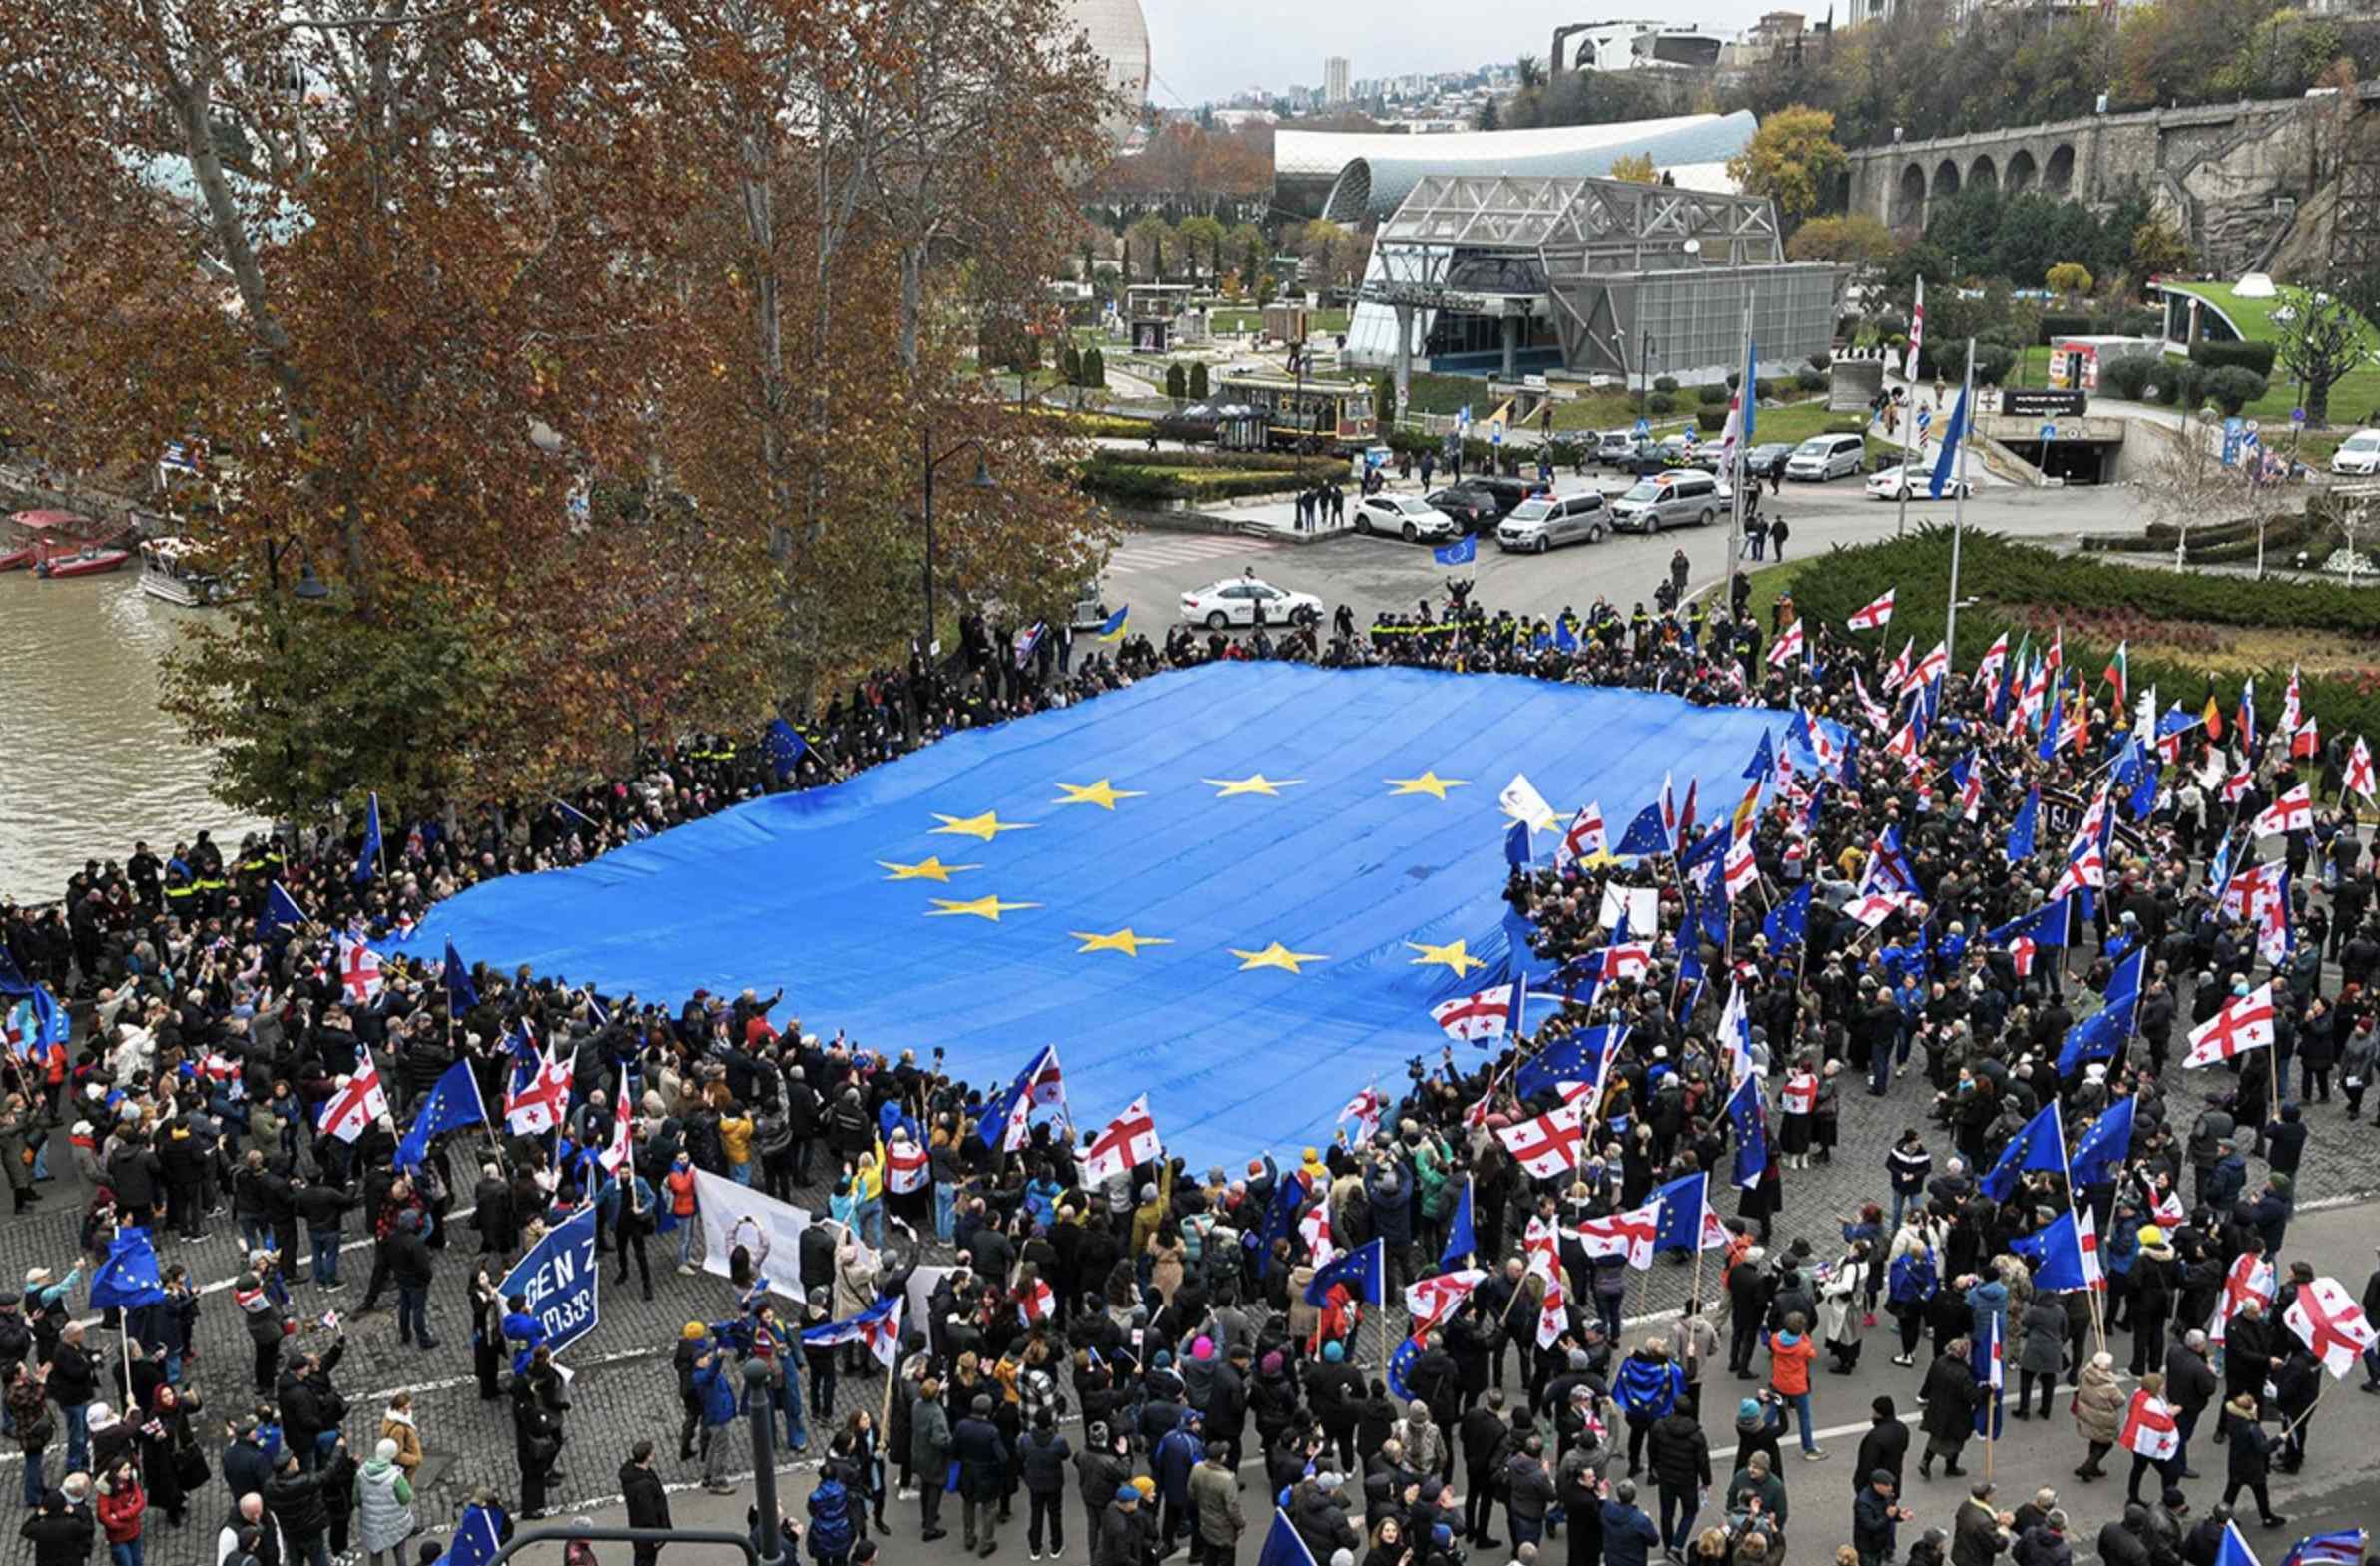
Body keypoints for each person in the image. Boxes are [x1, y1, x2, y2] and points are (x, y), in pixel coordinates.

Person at [952, 1392, 1009, 1558]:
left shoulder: (962, 1426)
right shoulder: (991, 1431)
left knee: (968, 1504)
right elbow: (1003, 1457)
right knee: (989, 1509)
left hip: (968, 1472)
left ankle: (969, 1538)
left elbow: (953, 1449)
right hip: (987, 1475)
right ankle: (987, 1542)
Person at [2217, 1394, 2286, 1529]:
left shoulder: (2232, 1419)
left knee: (2231, 1491)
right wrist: (2279, 1439)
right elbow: (2264, 1448)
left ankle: (2222, 1517)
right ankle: (2267, 1518)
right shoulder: (2252, 1429)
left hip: (2236, 1462)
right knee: (2261, 1493)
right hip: (2253, 1467)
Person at [353, 1438, 415, 1566]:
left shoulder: (361, 1474)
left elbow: (356, 1500)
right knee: (400, 1553)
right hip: (396, 1524)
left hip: (373, 1525)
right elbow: (406, 1499)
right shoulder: (396, 1477)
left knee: (375, 1553)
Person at [910, 1375, 951, 1543]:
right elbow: (939, 1439)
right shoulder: (936, 1413)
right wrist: (951, 1442)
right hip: (934, 1457)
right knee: (936, 1487)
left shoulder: (917, 1405)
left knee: (925, 1485)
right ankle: (930, 1527)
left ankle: (926, 1516)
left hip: (919, 1451)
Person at [1187, 1448, 1242, 1566]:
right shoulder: (1227, 1479)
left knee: (1209, 1554)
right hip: (1224, 1528)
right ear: (1222, 1457)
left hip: (1205, 1522)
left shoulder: (1197, 1469)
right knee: (1226, 1558)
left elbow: (1191, 1492)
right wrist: (1240, 1524)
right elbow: (1232, 1508)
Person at [621, 1441, 671, 1566]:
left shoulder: (633, 1474)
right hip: (647, 1534)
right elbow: (648, 1513)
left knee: (642, 1558)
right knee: (646, 1560)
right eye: (651, 1453)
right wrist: (656, 1536)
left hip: (638, 1528)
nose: (654, 1454)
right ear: (647, 1457)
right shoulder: (643, 1486)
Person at [1853, 1470, 1913, 1566]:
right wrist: (1888, 1516)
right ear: (1875, 1485)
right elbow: (1871, 1526)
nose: (1890, 1488)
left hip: (1880, 1543)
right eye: (1886, 1485)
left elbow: (1890, 1512)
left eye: (1890, 1485)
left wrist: (1899, 1515)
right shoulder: (1863, 1503)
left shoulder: (1886, 1495)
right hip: (1867, 1547)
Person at [96, 1458, 145, 1566]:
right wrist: (123, 1524)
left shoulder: (131, 1482)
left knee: (137, 1562)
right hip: (118, 1539)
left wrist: (119, 1515)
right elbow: (103, 1516)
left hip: (134, 1533)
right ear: (116, 1472)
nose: (129, 1472)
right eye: (125, 1470)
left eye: (129, 1469)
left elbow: (140, 1503)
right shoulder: (105, 1491)